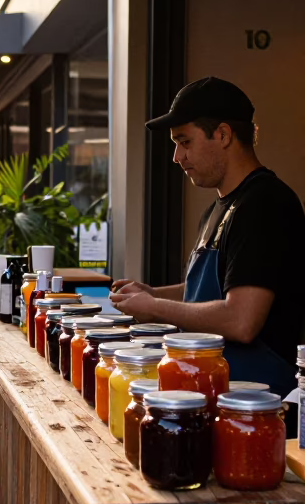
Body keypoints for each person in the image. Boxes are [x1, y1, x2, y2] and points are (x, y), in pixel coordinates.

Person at [111, 76, 305, 399]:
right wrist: (151, 293)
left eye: (184, 142)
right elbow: (210, 290)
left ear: (223, 135)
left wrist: (155, 307)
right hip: (215, 392)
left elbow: (242, 319)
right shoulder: (217, 209)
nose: (177, 157)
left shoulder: (265, 204)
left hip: (258, 406)